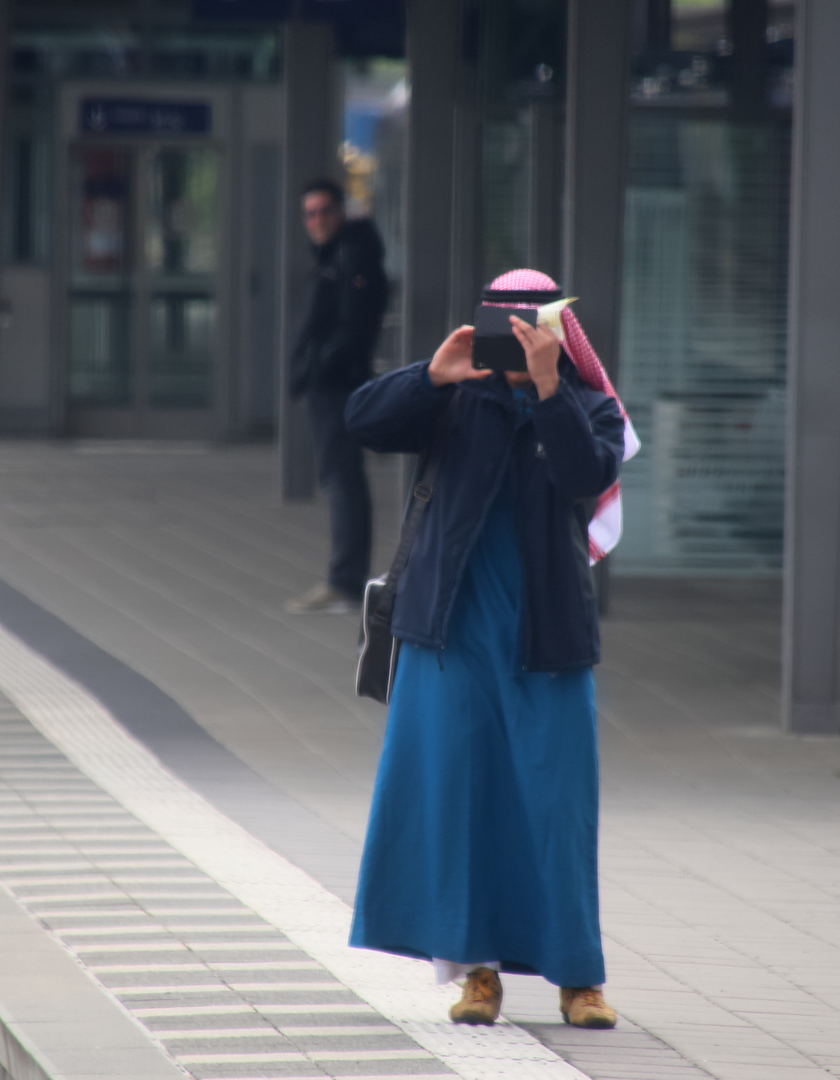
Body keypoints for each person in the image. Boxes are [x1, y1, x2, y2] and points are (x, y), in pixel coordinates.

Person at [344, 269, 640, 1029]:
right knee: (459, 794)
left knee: (556, 804)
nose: (514, 337)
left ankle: (580, 980)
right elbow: (361, 422)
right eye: (500, 321)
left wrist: (548, 393)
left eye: (529, 322)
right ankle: (475, 975)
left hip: (547, 633)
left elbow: (584, 473)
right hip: (451, 627)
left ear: (557, 331)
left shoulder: (588, 405)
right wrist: (426, 377)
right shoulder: (453, 397)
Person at [284, 179, 389, 616]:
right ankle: (345, 579)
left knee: (340, 478)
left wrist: (317, 367)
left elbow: (352, 325)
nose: (317, 220)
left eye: (325, 210)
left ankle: (345, 582)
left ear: (341, 211)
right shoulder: (338, 255)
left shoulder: (351, 255)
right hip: (331, 380)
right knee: (342, 477)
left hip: (338, 383)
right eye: (309, 213)